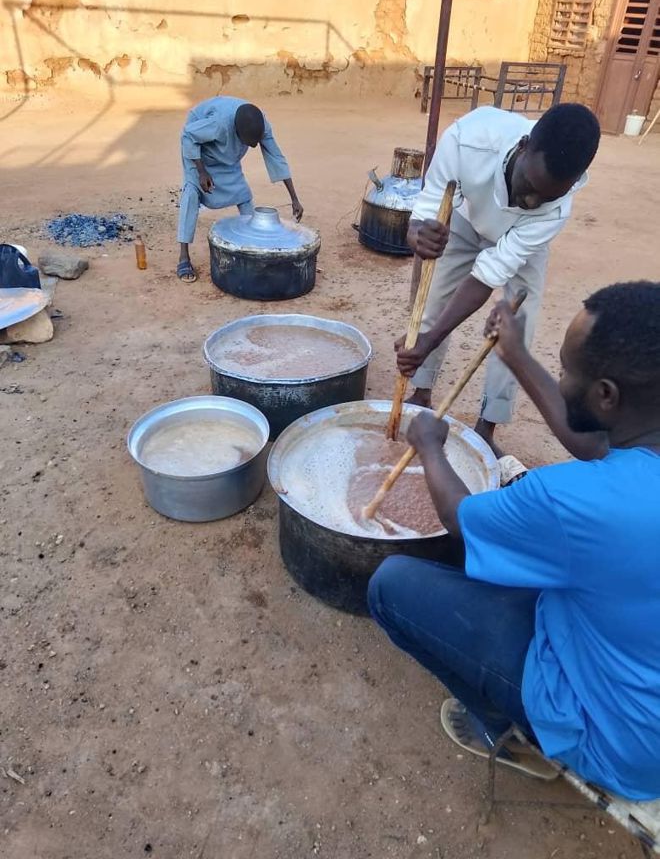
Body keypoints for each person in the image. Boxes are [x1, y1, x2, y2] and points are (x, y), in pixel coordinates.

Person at [370, 281, 660, 799]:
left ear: (607, 395)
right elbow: (591, 440)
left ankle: (509, 732)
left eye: (569, 370)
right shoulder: (640, 450)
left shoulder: (577, 503)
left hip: (623, 746)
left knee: (390, 584)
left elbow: (461, 517)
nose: (562, 378)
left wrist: (430, 445)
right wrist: (516, 352)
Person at [396, 103, 600, 455]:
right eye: (530, 185)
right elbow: (429, 204)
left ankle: (487, 425)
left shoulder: (554, 209)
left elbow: (487, 276)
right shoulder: (468, 139)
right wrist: (416, 232)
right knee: (432, 303)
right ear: (523, 147)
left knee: (516, 327)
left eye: (545, 197)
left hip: (521, 242)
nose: (530, 200)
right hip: (465, 218)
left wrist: (432, 339)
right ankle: (422, 392)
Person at [176, 97, 304, 283]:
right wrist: (201, 172)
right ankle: (183, 257)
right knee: (191, 194)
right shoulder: (219, 124)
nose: (253, 147)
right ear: (236, 131)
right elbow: (189, 136)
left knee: (244, 195)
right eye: (249, 142)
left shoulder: (261, 125)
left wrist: (294, 198)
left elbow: (276, 157)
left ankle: (254, 249)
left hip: (229, 157)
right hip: (198, 150)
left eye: (255, 142)